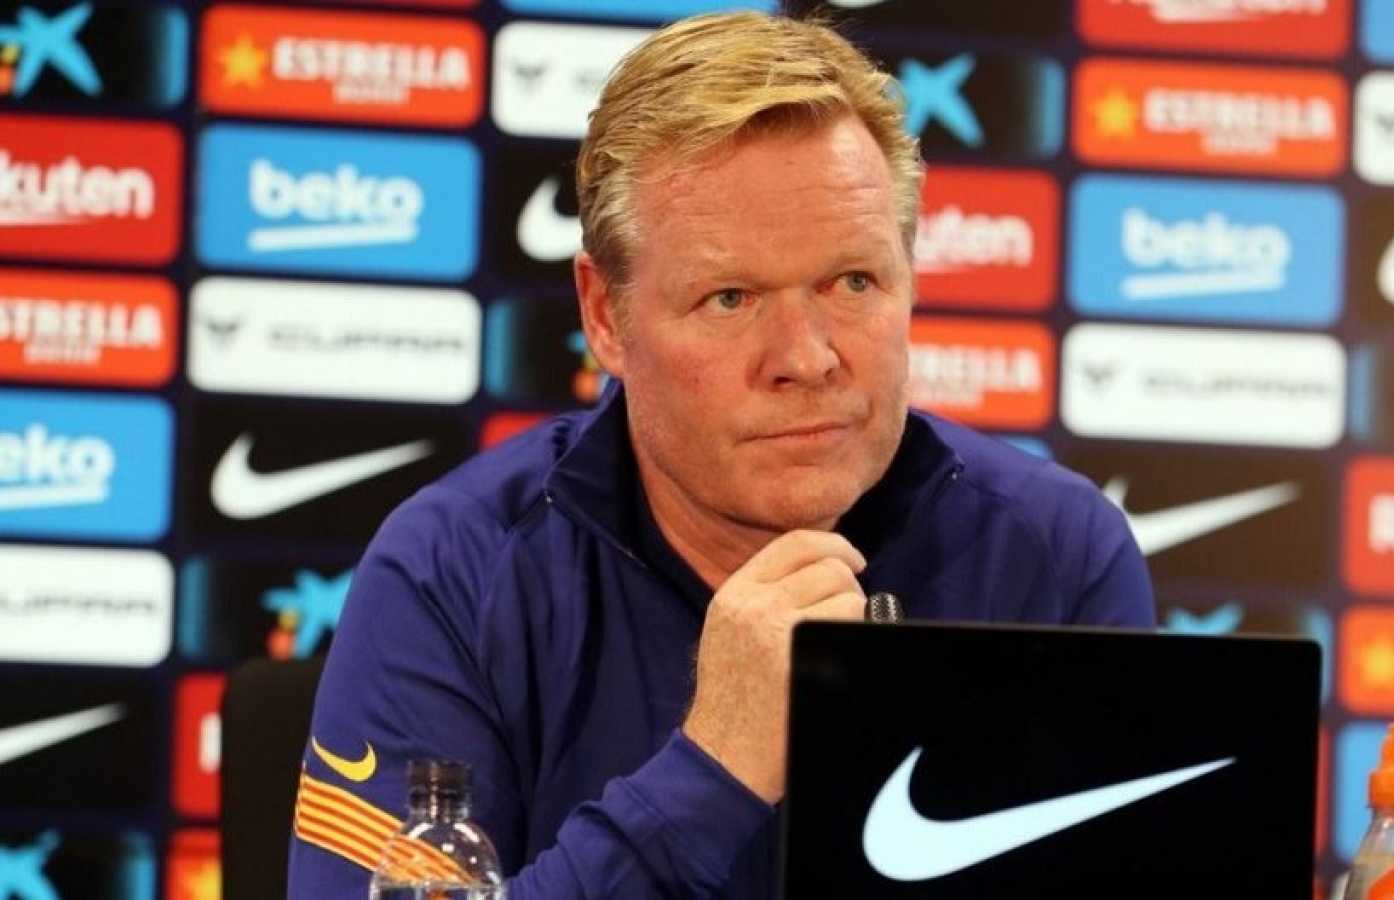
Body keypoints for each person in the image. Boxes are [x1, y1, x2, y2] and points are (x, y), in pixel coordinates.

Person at [286, 11, 1153, 898]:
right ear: (605, 315)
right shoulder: (452, 572)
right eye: (731, 298)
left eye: (854, 282)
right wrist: (712, 771)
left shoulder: (1057, 556)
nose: (807, 358)